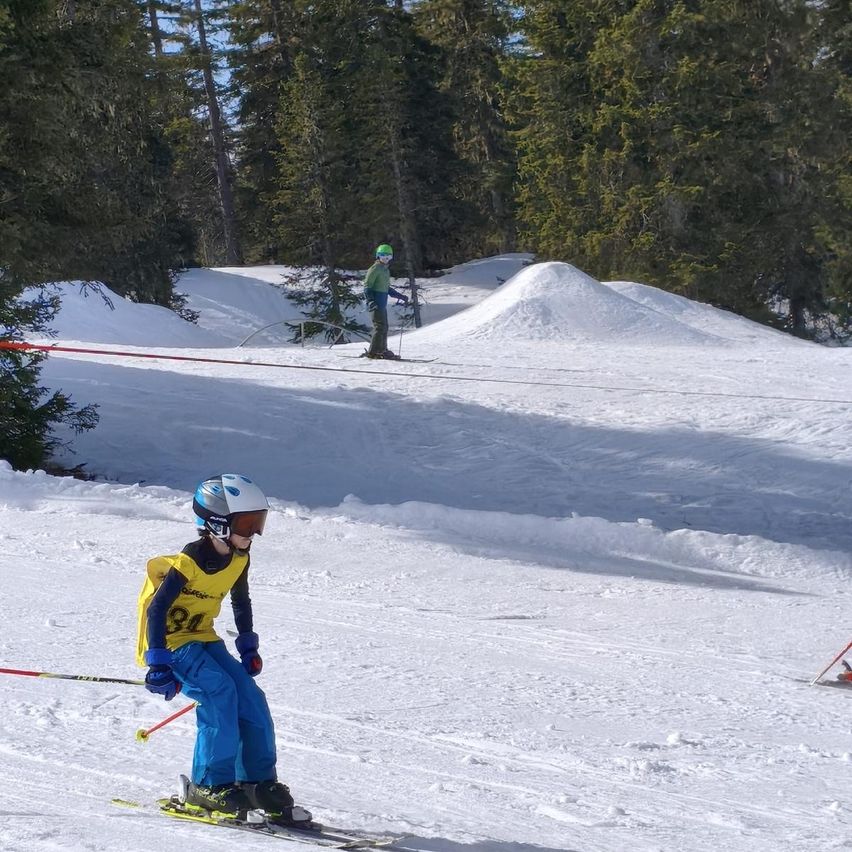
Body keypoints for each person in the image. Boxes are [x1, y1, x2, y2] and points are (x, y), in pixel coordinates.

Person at [136, 473, 310, 824]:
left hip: (203, 637)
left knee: (249, 697)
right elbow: (156, 609)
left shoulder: (239, 558)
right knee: (219, 693)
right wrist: (157, 663)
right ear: (217, 525)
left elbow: (240, 599)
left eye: (258, 522)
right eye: (247, 523)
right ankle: (207, 786)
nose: (254, 532)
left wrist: (247, 645)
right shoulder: (191, 561)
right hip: (172, 644)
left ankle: (255, 782)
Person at [363, 243, 409, 359]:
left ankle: (383, 350)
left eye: (388, 257)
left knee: (384, 326)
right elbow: (367, 287)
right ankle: (373, 352)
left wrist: (400, 296)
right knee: (379, 327)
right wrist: (371, 301)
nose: (386, 259)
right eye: (383, 256)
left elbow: (386, 288)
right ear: (378, 256)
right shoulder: (375, 269)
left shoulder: (385, 270)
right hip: (375, 304)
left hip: (382, 304)